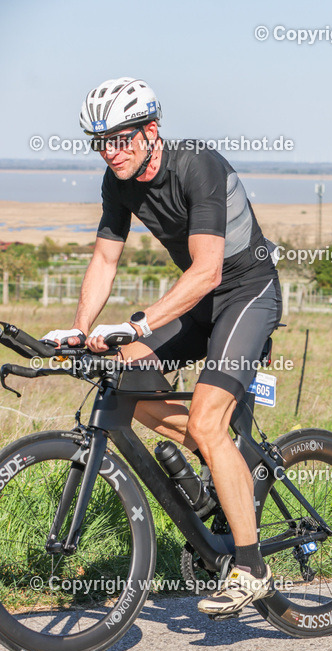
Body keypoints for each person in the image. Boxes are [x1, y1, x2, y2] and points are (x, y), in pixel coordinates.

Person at [43, 77, 281, 615]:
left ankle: (252, 569)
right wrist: (83, 331)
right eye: (100, 141)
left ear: (152, 131)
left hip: (246, 293)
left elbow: (208, 270)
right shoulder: (118, 180)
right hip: (201, 301)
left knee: (205, 420)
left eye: (121, 138)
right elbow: (105, 259)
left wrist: (142, 323)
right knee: (123, 379)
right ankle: (221, 469)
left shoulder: (198, 165)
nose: (111, 151)